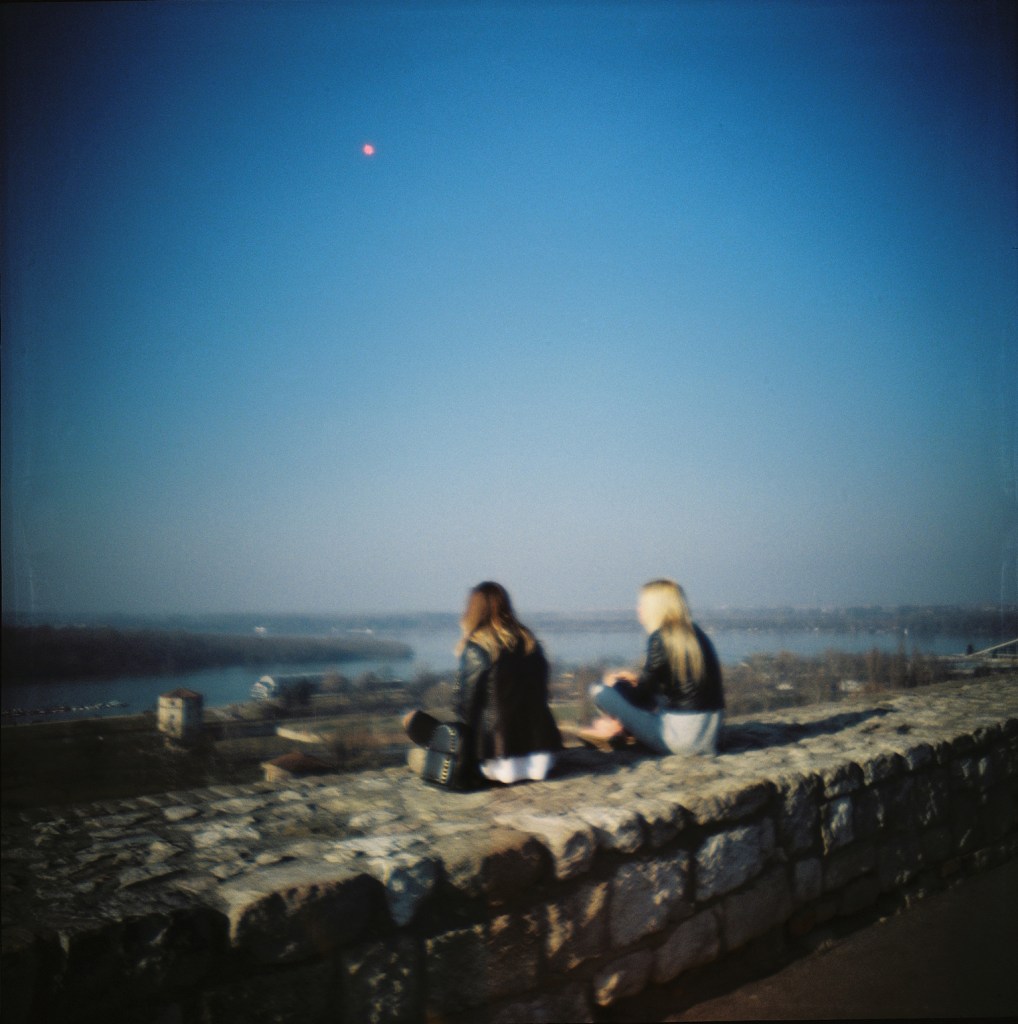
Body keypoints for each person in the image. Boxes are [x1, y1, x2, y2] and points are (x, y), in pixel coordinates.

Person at [403, 581, 563, 784]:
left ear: (472, 611)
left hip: (499, 765)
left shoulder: (477, 649)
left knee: (413, 726)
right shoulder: (532, 644)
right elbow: (542, 697)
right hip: (544, 759)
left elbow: (464, 710)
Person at [579, 579, 725, 755]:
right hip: (710, 738)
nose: (638, 609)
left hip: (678, 741)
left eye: (642, 604)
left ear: (656, 607)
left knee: (598, 690)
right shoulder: (696, 634)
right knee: (629, 690)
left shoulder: (660, 638)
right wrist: (636, 682)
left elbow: (641, 698)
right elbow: (670, 688)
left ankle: (613, 730)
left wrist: (617, 684)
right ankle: (615, 729)